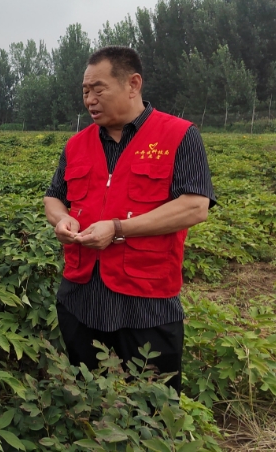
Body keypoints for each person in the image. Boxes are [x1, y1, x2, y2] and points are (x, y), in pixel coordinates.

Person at [43, 46, 216, 393]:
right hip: (81, 295)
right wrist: (62, 220)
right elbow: (54, 198)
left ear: (133, 84)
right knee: (88, 394)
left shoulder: (179, 136)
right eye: (85, 91)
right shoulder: (76, 144)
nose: (90, 99)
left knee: (153, 406)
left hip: (146, 300)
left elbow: (195, 206)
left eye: (99, 89)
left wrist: (119, 229)